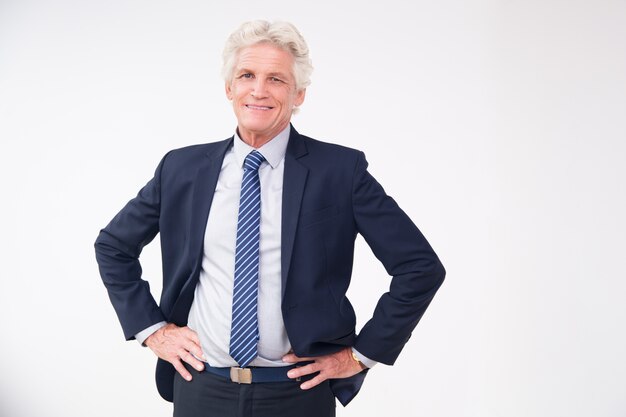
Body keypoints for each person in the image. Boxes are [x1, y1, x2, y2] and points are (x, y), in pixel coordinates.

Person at [95, 20, 445, 417]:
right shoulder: (182, 168)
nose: (259, 90)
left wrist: (360, 356)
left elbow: (420, 267)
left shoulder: (339, 171)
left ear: (299, 94)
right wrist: (152, 331)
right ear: (230, 88)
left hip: (296, 394)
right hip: (201, 387)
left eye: (276, 79)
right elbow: (113, 246)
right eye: (247, 75)